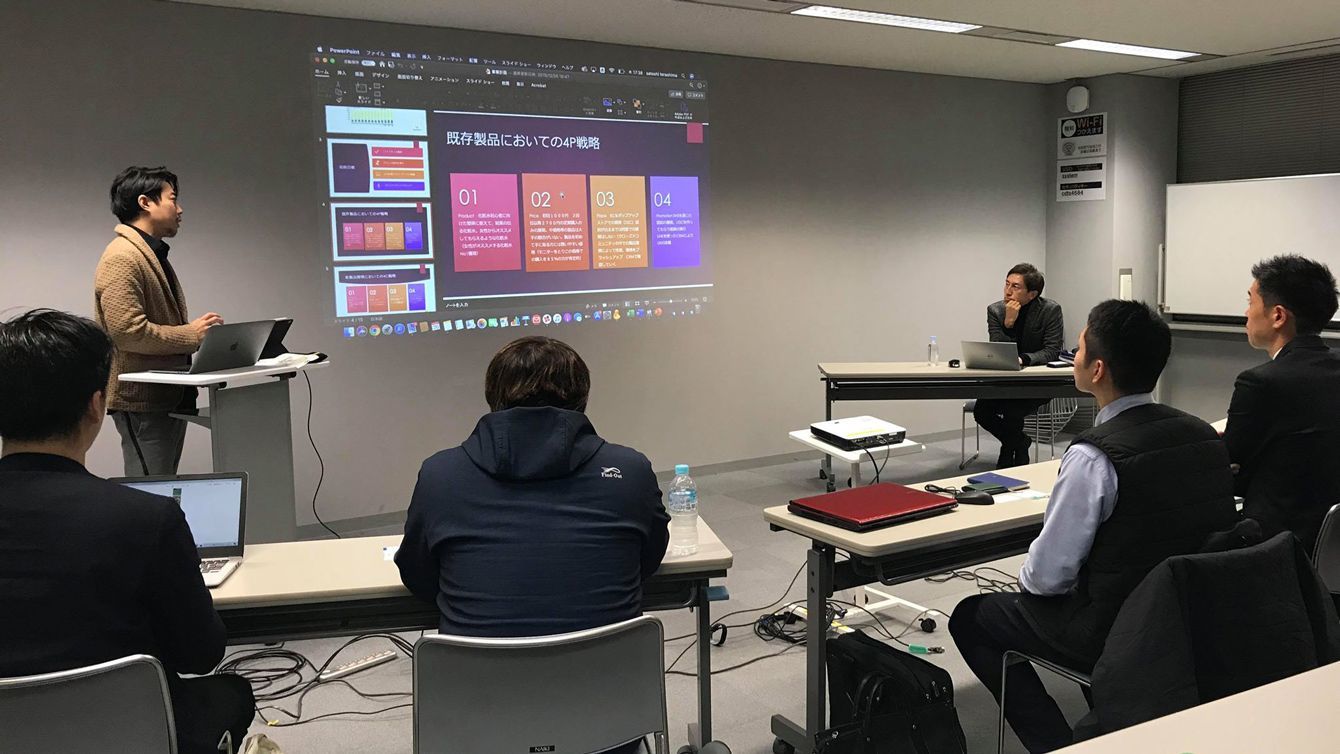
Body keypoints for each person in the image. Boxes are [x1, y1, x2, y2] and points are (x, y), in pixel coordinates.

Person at [949, 300, 1237, 753]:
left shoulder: (1092, 456)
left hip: (1113, 631)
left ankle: (1057, 743)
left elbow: (1045, 580)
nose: (1074, 357)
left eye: (1080, 349)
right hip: (1187, 620)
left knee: (972, 616)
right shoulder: (1202, 433)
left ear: (1097, 369)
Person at [0, 309, 253, 753]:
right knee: (232, 691)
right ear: (97, 405)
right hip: (127, 733)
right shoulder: (145, 518)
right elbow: (200, 655)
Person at [396, 335, 670, 638]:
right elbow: (648, 560)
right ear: (582, 397)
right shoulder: (630, 470)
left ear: (492, 396)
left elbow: (418, 575)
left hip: (480, 669)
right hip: (612, 667)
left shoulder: (440, 474)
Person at [94, 166, 223, 476]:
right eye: (172, 198)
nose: (180, 209)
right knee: (148, 489)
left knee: (159, 485)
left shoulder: (148, 253)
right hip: (142, 401)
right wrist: (191, 335)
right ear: (145, 202)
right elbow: (128, 332)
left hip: (163, 398)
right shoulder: (123, 257)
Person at [1224, 255, 1340, 553]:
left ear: (1278, 316)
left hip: (1276, 546)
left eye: (1250, 301)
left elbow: (1230, 469)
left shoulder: (1260, 382)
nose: (1246, 313)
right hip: (1330, 541)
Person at [975, 263, 1065, 468]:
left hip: (1037, 382)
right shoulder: (995, 310)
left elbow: (1052, 350)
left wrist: (1024, 359)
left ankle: (1008, 453)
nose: (1008, 291)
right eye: (1006, 284)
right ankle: (1019, 443)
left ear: (1032, 294)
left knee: (1012, 409)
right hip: (1005, 380)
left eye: (1015, 286)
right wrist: (1009, 324)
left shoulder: (1050, 310)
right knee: (982, 411)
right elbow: (998, 350)